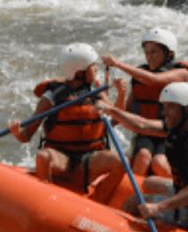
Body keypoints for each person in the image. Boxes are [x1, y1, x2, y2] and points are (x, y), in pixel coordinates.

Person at [99, 82, 188, 232]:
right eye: (165, 106)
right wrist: (111, 111)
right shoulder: (185, 125)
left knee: (134, 203)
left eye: (171, 107)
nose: (165, 112)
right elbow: (142, 125)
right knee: (151, 182)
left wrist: (158, 207)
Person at [8, 42, 126, 204]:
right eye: (93, 66)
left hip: (90, 158)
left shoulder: (95, 93)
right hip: (62, 159)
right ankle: (46, 201)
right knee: (43, 156)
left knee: (120, 162)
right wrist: (17, 132)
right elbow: (26, 136)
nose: (97, 69)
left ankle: (98, 202)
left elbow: (117, 119)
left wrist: (121, 94)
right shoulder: (51, 97)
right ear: (79, 72)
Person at [101, 28, 188, 177]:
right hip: (146, 133)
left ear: (169, 54)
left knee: (159, 163)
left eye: (154, 52)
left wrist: (118, 64)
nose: (149, 57)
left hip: (172, 133)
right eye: (146, 53)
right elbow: (124, 115)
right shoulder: (139, 77)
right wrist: (121, 94)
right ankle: (132, 195)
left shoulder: (181, 73)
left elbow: (155, 81)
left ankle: (179, 189)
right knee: (142, 156)